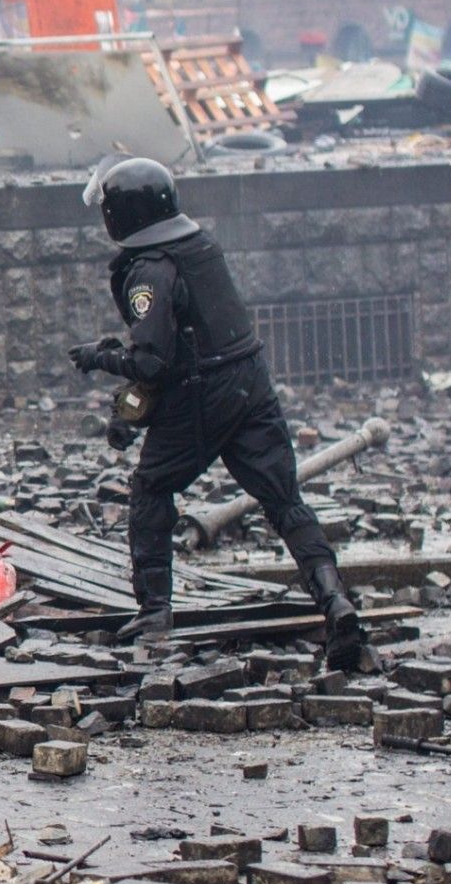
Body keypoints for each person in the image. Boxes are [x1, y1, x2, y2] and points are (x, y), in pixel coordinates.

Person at [67, 158, 369, 669]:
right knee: (284, 499)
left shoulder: (148, 270)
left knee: (151, 490)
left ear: (122, 217)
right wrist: (129, 412)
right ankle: (335, 600)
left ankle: (155, 609)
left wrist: (101, 358)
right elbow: (181, 345)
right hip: (250, 383)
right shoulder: (199, 246)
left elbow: (154, 363)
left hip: (198, 396)